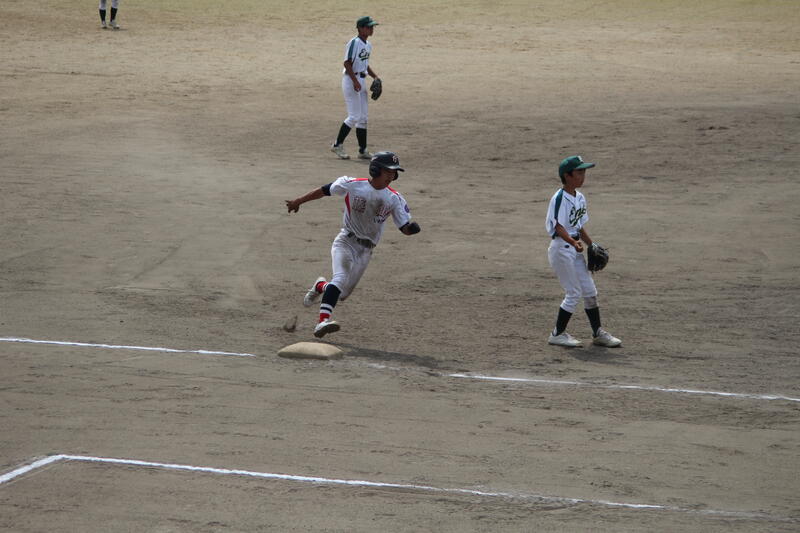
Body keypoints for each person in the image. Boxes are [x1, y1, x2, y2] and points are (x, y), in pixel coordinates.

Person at [285, 151, 421, 338]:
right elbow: (324, 190)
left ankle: (320, 286)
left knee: (341, 294)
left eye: (394, 172)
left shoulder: (394, 198)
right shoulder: (352, 184)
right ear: (375, 170)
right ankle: (322, 322)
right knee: (339, 279)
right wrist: (298, 201)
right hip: (346, 242)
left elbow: (404, 227)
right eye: (388, 171)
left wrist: (411, 229)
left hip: (366, 251)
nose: (392, 175)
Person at [544, 155, 621, 348]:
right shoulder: (559, 198)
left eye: (584, 172)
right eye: (579, 172)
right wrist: (573, 241)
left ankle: (598, 333)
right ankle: (557, 334)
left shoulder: (579, 197)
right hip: (561, 249)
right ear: (567, 175)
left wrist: (590, 244)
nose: (583, 176)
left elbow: (578, 226)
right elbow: (558, 227)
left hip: (574, 248)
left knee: (589, 291)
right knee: (573, 292)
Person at [330, 16, 381, 161]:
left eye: (372, 27)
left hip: (361, 80)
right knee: (354, 116)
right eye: (369, 27)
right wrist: (355, 81)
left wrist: (375, 77)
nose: (371, 29)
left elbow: (365, 64)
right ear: (360, 28)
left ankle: (363, 150)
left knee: (363, 117)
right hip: (351, 80)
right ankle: (337, 145)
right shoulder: (354, 43)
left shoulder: (368, 45)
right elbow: (347, 63)